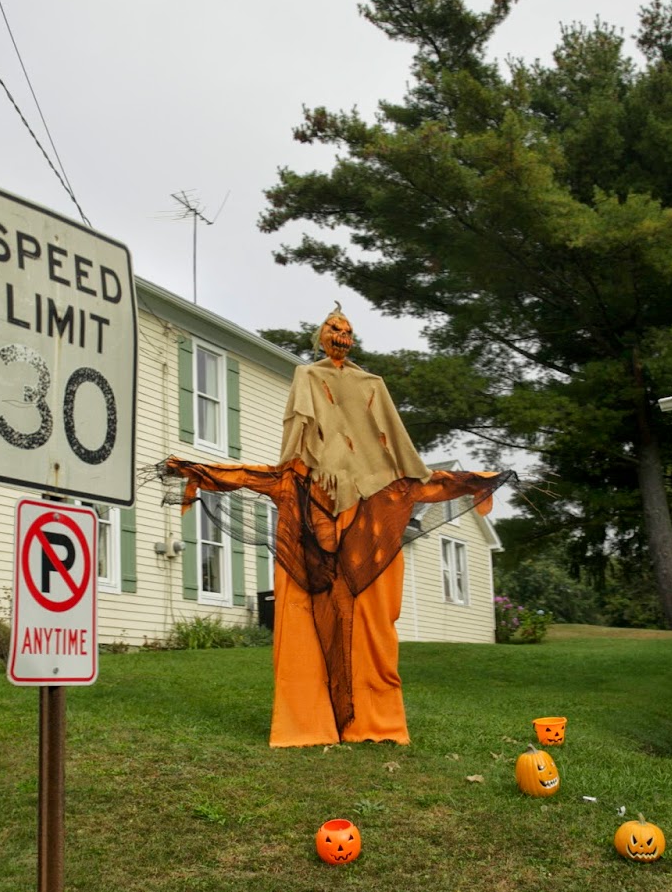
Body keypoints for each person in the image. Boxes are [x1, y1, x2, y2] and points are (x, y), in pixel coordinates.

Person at [164, 304, 511, 745]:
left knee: (371, 631)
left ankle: (369, 721)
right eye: (333, 329)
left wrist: (476, 481)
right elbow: (253, 475)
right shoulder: (300, 445)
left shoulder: (381, 454)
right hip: (312, 543)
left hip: (361, 534)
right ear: (320, 337)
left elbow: (427, 483)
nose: (340, 336)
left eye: (346, 330)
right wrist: (197, 471)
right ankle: (309, 724)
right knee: (302, 631)